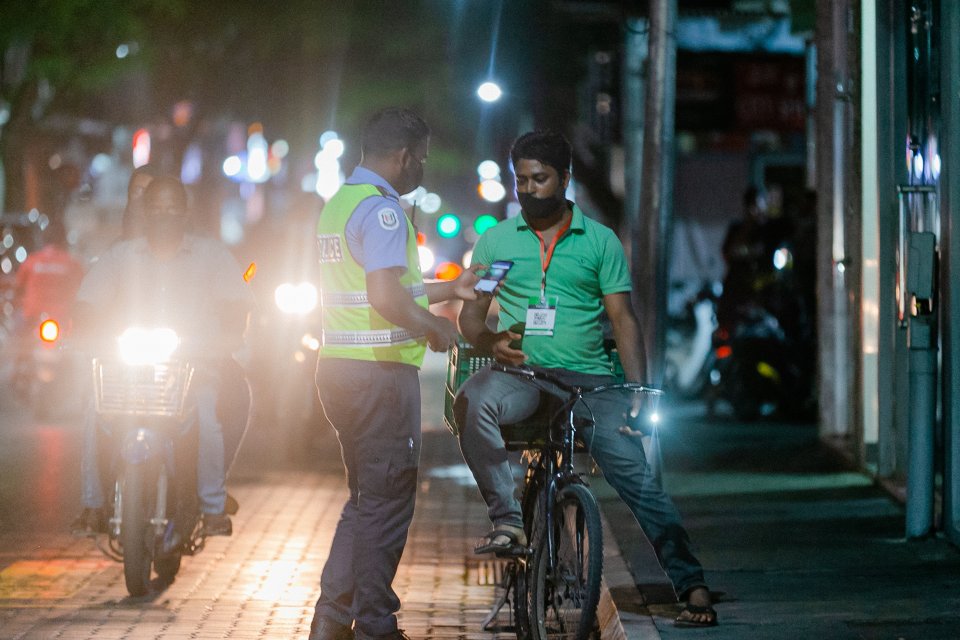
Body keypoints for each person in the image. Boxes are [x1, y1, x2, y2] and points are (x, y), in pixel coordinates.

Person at [452, 130, 717, 628]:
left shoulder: (599, 241)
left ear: (565, 180)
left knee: (637, 479)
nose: (529, 189)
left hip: (590, 382)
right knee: (472, 400)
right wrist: (489, 344)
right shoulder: (497, 242)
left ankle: (691, 584)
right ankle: (508, 521)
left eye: (540, 178)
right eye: (521, 180)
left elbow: (624, 319)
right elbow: (473, 317)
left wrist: (637, 391)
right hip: (522, 376)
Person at [308, 107, 480, 640]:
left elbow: (381, 287)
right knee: (386, 507)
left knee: (366, 504)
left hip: (340, 369)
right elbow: (384, 298)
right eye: (422, 159)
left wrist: (448, 289)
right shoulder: (384, 212)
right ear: (404, 157)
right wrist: (434, 326)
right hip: (378, 378)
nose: (422, 168)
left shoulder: (340, 204)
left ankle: (332, 621)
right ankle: (377, 628)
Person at [70, 176, 254, 537]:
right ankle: (92, 505)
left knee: (207, 418)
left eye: (172, 209)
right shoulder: (121, 257)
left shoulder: (211, 256)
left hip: (192, 369)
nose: (165, 216)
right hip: (129, 371)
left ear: (185, 214)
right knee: (94, 410)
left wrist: (226, 336)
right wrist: (86, 326)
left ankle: (213, 506)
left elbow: (237, 306)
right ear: (144, 213)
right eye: (156, 208)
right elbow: (88, 302)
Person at [120, 164, 159, 240]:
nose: (142, 198)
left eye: (148, 192)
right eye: (137, 191)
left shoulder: (170, 246)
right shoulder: (117, 249)